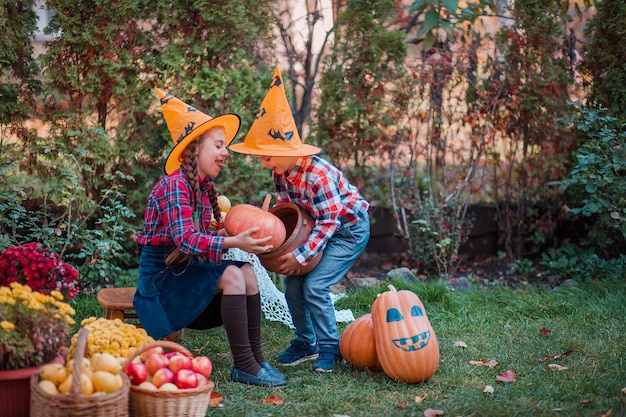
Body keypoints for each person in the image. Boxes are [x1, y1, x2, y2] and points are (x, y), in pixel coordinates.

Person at [133, 88, 286, 387]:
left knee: (245, 271)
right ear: (195, 149)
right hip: (160, 281)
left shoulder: (201, 188)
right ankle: (244, 365)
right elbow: (187, 241)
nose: (225, 152)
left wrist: (233, 234)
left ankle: (256, 360)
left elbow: (203, 244)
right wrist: (233, 242)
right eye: (218, 145)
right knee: (231, 273)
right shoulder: (174, 185)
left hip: (183, 272)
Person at [229, 68, 370, 372]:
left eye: (267, 157)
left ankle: (331, 348)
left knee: (316, 286)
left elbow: (330, 222)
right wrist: (275, 247)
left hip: (347, 230)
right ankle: (307, 341)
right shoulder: (280, 172)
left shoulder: (318, 176)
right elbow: (289, 215)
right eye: (261, 158)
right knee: (293, 286)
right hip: (318, 229)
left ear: (286, 150)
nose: (264, 164)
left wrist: (302, 255)